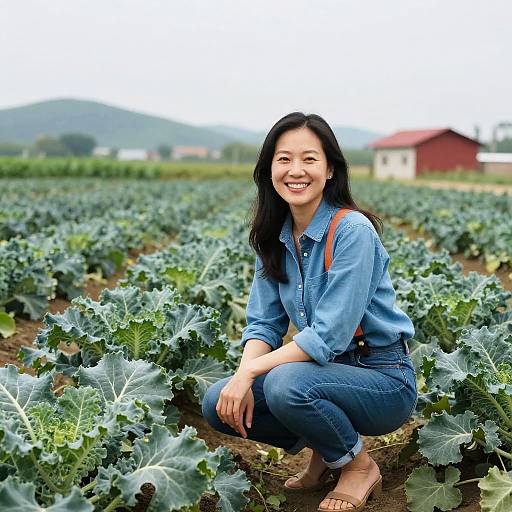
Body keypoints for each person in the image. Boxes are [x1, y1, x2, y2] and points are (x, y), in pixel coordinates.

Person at [202, 112, 417, 512]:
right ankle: (326, 448)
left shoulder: (353, 231)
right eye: (284, 159)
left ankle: (357, 467)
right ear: (269, 170)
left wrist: (251, 371)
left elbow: (331, 335)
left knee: (286, 384)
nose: (295, 170)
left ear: (330, 169)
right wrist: (241, 377)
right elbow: (264, 324)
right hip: (324, 374)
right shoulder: (275, 236)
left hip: (383, 378)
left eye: (309, 159)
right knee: (218, 403)